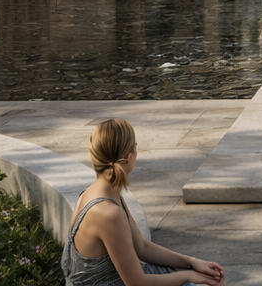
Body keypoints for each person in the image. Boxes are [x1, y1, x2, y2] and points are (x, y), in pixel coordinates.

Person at [63, 118, 227, 286]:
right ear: (129, 156)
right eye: (135, 146)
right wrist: (189, 276)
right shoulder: (107, 212)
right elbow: (136, 283)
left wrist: (191, 262)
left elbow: (142, 247)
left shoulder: (104, 192)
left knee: (210, 279)